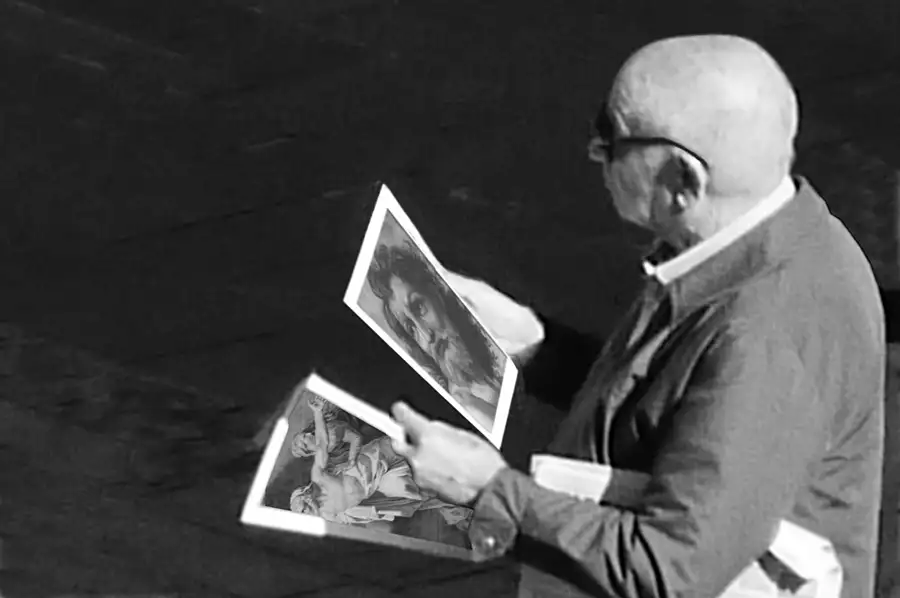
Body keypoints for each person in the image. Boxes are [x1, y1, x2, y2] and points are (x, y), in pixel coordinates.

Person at [390, 34, 885, 598]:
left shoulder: (766, 335)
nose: (594, 152)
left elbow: (668, 572)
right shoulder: (763, 241)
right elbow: (681, 407)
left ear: (683, 181)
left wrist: (487, 490)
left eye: (612, 138)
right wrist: (537, 347)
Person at [367, 241, 502, 429]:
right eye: (411, 329)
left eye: (419, 307)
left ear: (436, 293)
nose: (426, 336)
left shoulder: (495, 355)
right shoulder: (468, 408)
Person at [290, 397, 472, 530]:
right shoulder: (329, 516)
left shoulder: (320, 473)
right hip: (375, 495)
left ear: (305, 492)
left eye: (303, 506)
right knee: (412, 496)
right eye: (304, 512)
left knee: (414, 466)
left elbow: (332, 442)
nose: (306, 509)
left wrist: (318, 413)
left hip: (378, 461)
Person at [291, 395, 362, 473]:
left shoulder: (331, 433)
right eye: (305, 442)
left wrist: (351, 461)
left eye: (304, 435)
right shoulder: (323, 457)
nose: (308, 435)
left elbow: (356, 437)